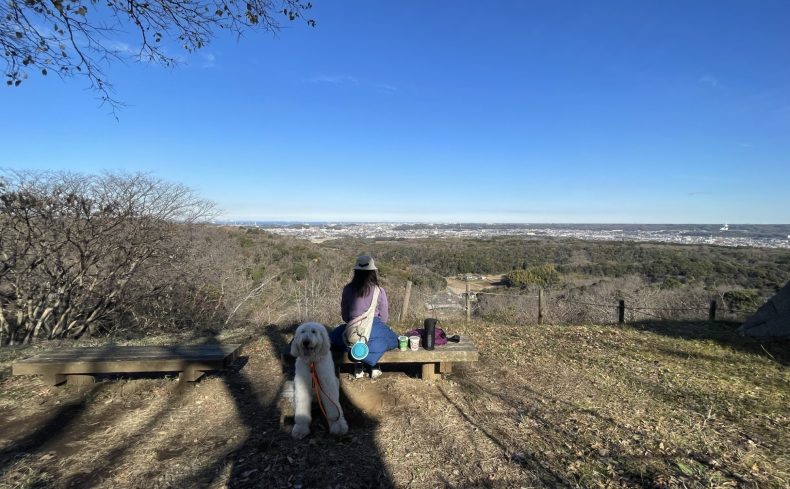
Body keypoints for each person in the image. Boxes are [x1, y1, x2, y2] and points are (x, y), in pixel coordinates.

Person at [329, 254, 398, 378]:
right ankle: (373, 365)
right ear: (372, 272)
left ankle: (358, 363)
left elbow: (345, 316)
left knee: (335, 337)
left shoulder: (347, 289)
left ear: (356, 271)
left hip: (353, 328)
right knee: (392, 340)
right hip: (374, 326)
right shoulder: (379, 290)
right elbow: (384, 318)